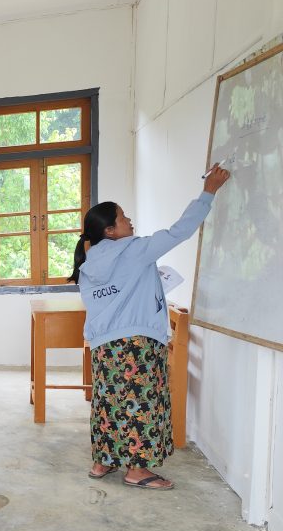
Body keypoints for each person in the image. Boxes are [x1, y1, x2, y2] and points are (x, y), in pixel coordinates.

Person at [71, 164, 231, 491]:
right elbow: (178, 232)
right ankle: (137, 470)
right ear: (110, 231)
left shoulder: (89, 264)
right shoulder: (134, 249)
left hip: (104, 345)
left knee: (108, 401)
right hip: (136, 345)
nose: (129, 220)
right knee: (141, 403)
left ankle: (103, 461)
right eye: (123, 217)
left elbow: (114, 296)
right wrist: (208, 192)